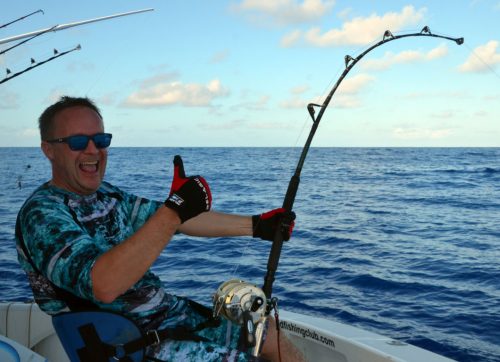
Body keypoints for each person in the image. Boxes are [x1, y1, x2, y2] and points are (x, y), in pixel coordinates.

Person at [16, 96, 304, 361]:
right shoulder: (42, 215)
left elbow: (179, 218)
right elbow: (103, 285)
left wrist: (258, 225)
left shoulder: (107, 195)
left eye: (101, 139)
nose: (93, 150)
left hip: (168, 317)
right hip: (129, 343)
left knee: (267, 334)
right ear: (49, 150)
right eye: (78, 141)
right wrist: (173, 210)